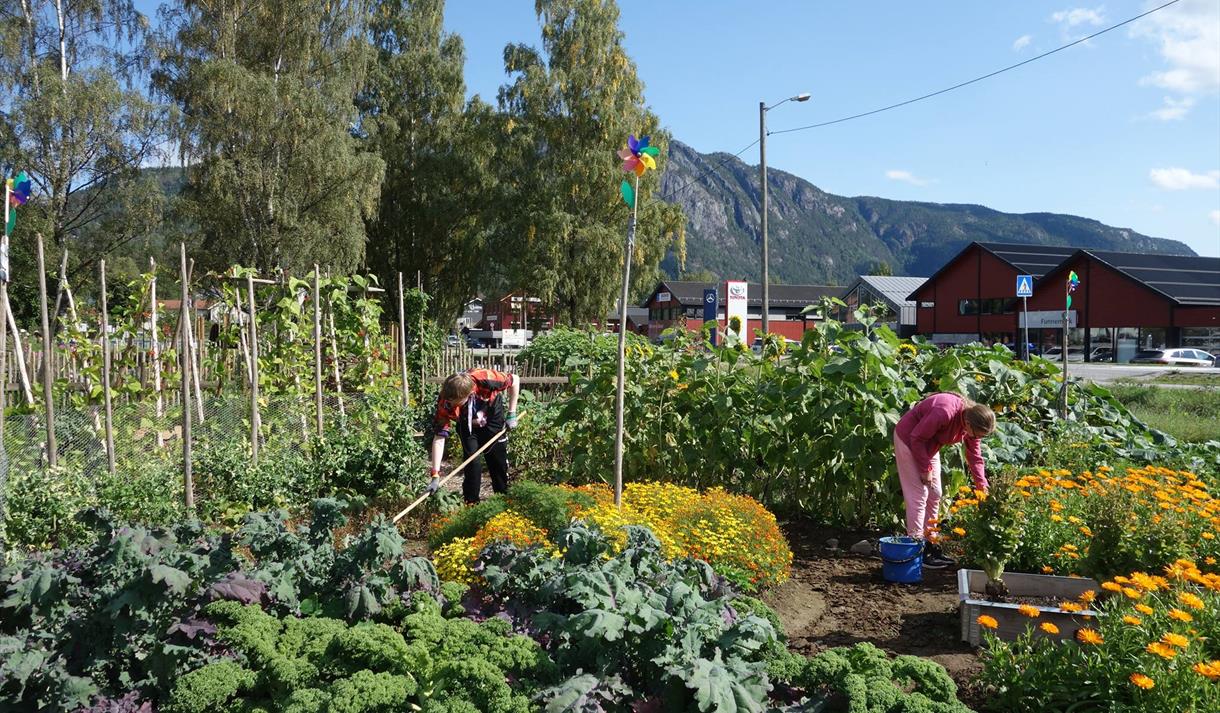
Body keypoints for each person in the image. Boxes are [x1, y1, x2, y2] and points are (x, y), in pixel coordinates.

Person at [893, 392, 995, 569]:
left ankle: (930, 544)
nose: (976, 439)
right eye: (977, 435)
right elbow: (917, 437)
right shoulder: (944, 412)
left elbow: (975, 457)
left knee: (935, 494)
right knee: (919, 495)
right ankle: (916, 549)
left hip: (929, 446)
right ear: (968, 423)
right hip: (909, 440)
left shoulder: (970, 423)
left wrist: (982, 487)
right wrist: (925, 469)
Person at [428, 368, 520, 503]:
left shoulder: (486, 378)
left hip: (492, 416)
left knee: (497, 462)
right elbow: (439, 438)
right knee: (472, 463)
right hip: (467, 422)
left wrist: (512, 413)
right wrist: (435, 474)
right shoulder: (445, 401)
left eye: (455, 402)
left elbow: (515, 380)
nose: (451, 405)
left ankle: (503, 502)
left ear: (469, 393)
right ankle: (471, 505)